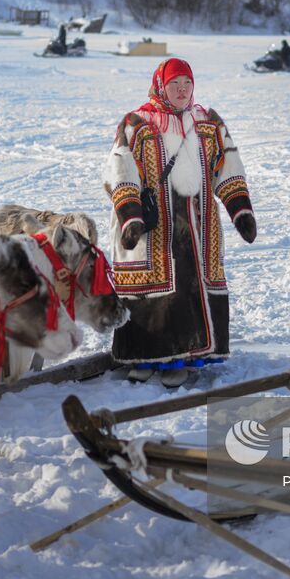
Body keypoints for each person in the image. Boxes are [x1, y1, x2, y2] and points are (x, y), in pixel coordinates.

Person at [103, 58, 256, 388]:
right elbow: (120, 169)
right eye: (175, 84)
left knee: (190, 285)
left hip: (199, 226)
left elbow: (228, 165)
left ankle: (184, 359)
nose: (182, 90)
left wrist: (240, 209)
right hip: (149, 228)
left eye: (187, 83)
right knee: (151, 290)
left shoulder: (208, 123)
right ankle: (144, 356)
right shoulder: (137, 123)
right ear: (161, 85)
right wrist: (130, 215)